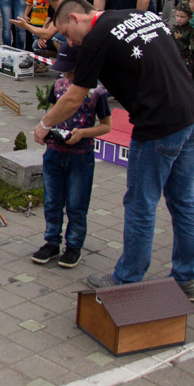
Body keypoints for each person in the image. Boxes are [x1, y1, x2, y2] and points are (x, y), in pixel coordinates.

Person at [40, 0, 194, 302]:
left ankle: (127, 277)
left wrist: (44, 123)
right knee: (184, 201)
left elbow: (74, 98)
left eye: (66, 33)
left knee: (140, 204)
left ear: (77, 18)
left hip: (158, 126)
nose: (69, 42)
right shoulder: (137, 14)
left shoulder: (95, 38)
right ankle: (187, 279)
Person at [30, 44, 112, 270]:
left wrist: (83, 133)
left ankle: (74, 245)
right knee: (52, 201)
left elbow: (106, 127)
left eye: (71, 71)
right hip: (55, 152)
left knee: (76, 204)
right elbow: (52, 114)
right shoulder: (58, 85)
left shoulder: (97, 92)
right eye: (64, 70)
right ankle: (51, 242)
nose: (67, 75)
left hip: (81, 156)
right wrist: (48, 129)